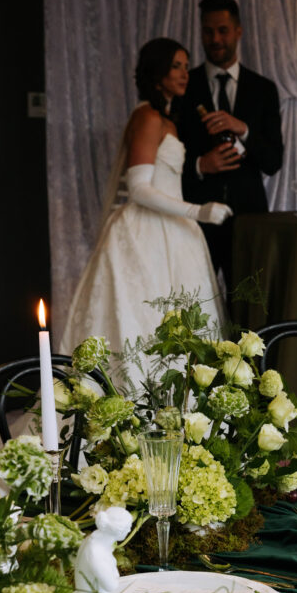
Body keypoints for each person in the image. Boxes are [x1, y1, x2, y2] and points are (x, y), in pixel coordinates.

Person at [60, 38, 230, 379]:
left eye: (185, 65)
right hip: (145, 232)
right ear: (156, 74)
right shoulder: (148, 117)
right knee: (143, 317)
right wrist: (198, 211)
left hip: (175, 233)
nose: (185, 73)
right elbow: (138, 189)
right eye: (176, 66)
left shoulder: (166, 118)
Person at [179, 0, 283, 287]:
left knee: (249, 316)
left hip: (249, 220)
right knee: (192, 310)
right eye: (208, 31)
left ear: (238, 31)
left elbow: (273, 162)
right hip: (195, 219)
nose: (215, 39)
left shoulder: (263, 90)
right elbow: (165, 159)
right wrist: (200, 165)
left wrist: (245, 129)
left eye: (223, 30)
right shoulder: (185, 87)